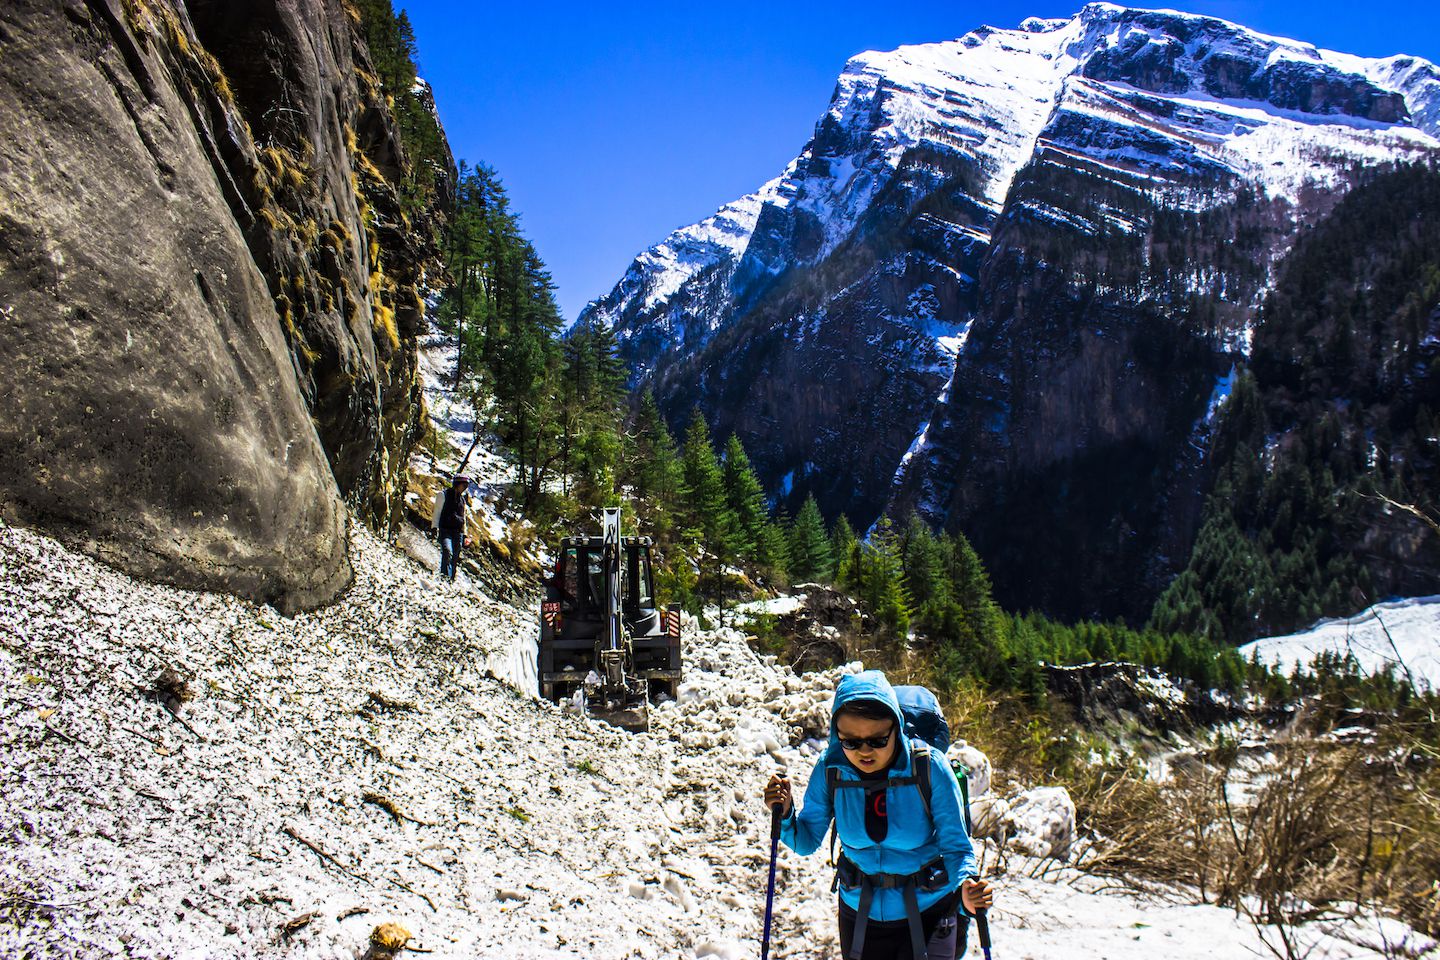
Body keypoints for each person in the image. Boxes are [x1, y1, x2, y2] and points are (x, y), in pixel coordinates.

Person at [763, 670, 995, 960]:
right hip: (861, 914)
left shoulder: (929, 767)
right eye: (850, 741)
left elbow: (956, 847)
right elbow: (807, 840)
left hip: (930, 911)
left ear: (896, 728)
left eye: (877, 740)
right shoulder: (831, 770)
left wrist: (967, 889)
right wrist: (784, 815)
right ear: (837, 735)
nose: (864, 751)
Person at [431, 475, 470, 580]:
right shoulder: (443, 495)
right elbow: (437, 512)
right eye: (464, 485)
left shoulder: (462, 500)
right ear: (457, 484)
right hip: (445, 529)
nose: (465, 488)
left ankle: (451, 579)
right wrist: (434, 527)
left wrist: (465, 534)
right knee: (447, 551)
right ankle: (444, 577)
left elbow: (464, 518)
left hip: (458, 532)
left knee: (455, 558)